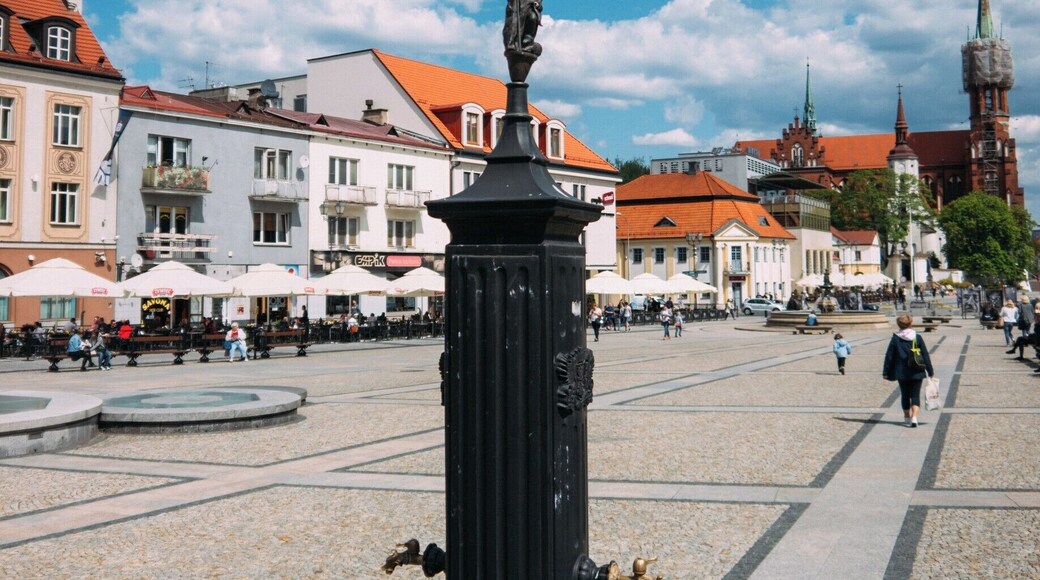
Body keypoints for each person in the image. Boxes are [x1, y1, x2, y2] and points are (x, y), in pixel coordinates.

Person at [883, 314, 935, 428]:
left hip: (901, 372)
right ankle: (914, 417)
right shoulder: (917, 337)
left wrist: (885, 372)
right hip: (917, 370)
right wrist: (930, 371)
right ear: (910, 323)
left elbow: (889, 356)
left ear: (899, 324)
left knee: (905, 394)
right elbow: (925, 355)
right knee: (915, 395)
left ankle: (907, 417)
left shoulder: (896, 338)